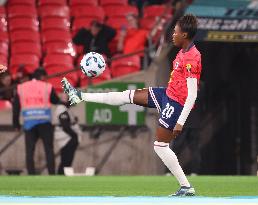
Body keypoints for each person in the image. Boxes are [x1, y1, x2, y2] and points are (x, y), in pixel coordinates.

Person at [62, 14, 201, 196]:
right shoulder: (183, 51)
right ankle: (80, 96)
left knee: (160, 146)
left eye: (175, 32)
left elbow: (192, 94)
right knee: (126, 96)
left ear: (184, 35)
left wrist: (180, 121)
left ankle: (186, 186)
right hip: (167, 94)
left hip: (176, 104)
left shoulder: (192, 57)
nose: (172, 35)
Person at [13, 68, 61, 175]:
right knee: (49, 149)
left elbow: (16, 108)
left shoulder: (21, 87)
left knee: (30, 151)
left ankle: (31, 174)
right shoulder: (46, 86)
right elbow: (55, 100)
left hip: (29, 123)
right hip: (45, 122)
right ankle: (52, 174)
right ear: (43, 77)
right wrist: (66, 103)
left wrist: (16, 124)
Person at [54, 93, 81, 175]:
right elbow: (65, 125)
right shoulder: (61, 109)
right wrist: (74, 136)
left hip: (66, 137)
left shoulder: (65, 108)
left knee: (66, 160)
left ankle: (62, 175)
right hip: (66, 138)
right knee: (66, 160)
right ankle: (61, 175)